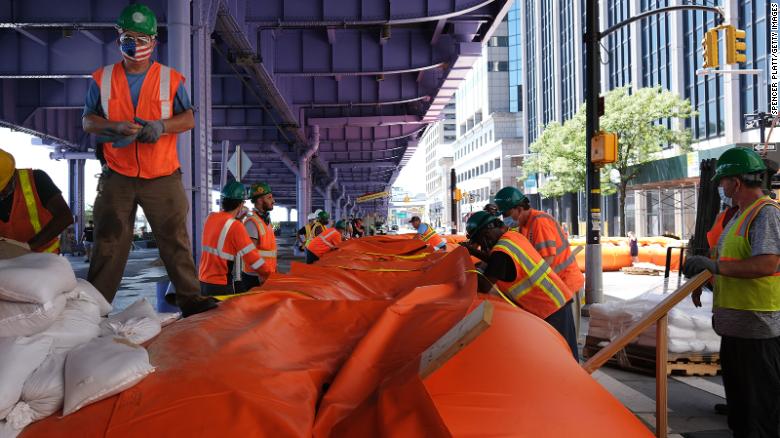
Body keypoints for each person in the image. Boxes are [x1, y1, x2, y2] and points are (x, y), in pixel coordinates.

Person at [81, 4, 215, 317]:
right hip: (118, 175)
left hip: (163, 175)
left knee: (174, 239)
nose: (135, 45)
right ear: (119, 38)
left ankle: (191, 300)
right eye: (129, 37)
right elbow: (88, 121)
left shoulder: (170, 79)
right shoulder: (102, 79)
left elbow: (189, 118)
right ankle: (94, 310)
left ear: (154, 41)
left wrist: (162, 126)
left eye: (142, 39)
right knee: (108, 241)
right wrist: (112, 126)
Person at [683, 147, 780, 437]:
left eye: (723, 181)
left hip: (758, 330)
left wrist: (714, 267)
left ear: (736, 182)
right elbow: (729, 262)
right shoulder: (740, 215)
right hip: (738, 329)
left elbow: (767, 262)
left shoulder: (765, 215)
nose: (721, 188)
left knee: (758, 416)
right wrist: (707, 276)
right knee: (741, 415)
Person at [461, 211, 578, 360]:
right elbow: (494, 261)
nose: (484, 245)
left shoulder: (502, 252)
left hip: (550, 307)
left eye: (482, 239)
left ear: (490, 229)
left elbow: (484, 284)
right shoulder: (512, 238)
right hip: (552, 303)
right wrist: (473, 252)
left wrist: (465, 272)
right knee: (558, 355)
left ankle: (575, 383)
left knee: (564, 359)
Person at [494, 186, 585, 313]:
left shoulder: (539, 222)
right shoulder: (524, 226)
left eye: (506, 214)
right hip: (558, 286)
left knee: (564, 331)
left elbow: (547, 259)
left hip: (566, 285)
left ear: (519, 209)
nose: (505, 219)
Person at [199, 182, 267, 296]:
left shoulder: (210, 218)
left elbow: (224, 235)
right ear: (241, 204)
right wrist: (269, 274)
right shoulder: (235, 226)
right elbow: (253, 259)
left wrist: (238, 219)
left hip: (202, 282)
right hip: (221, 285)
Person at [0, 148, 73, 253]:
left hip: (43, 258)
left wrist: (28, 246)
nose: (1, 193)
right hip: (8, 259)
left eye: (3, 187)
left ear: (13, 174)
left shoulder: (37, 180)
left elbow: (65, 217)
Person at [241, 182, 277, 290]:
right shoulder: (252, 222)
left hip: (266, 274)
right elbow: (250, 254)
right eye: (269, 197)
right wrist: (262, 273)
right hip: (255, 278)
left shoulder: (266, 221)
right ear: (260, 200)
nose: (273, 201)